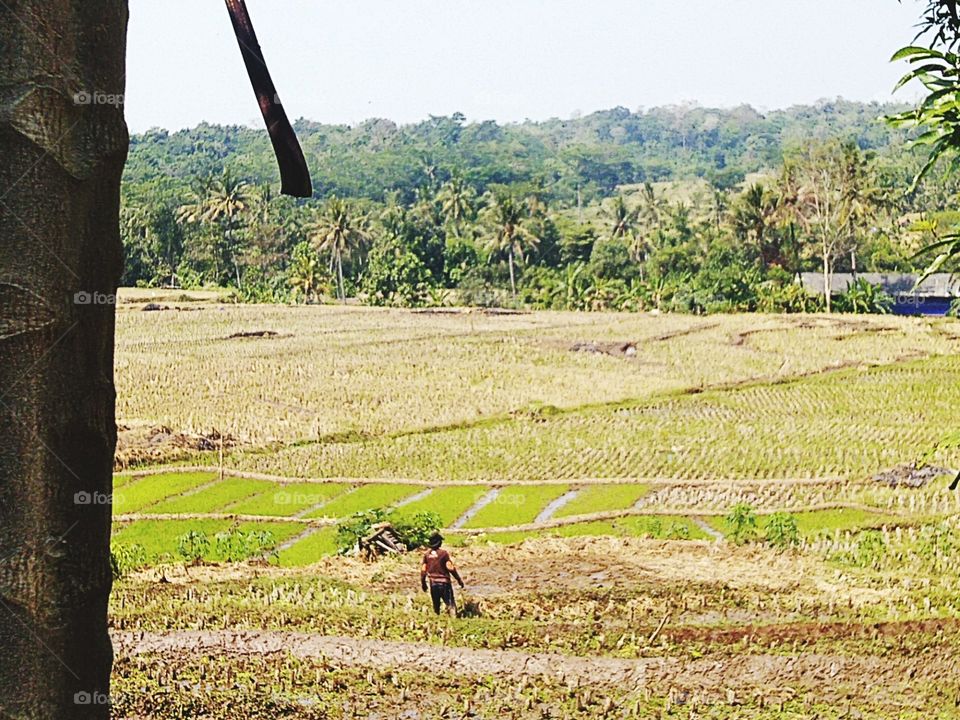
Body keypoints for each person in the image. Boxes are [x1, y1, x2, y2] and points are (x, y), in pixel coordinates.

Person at [420, 533, 464, 617]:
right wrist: (459, 579)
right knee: (450, 604)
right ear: (439, 542)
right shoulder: (443, 554)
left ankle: (437, 620)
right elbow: (450, 568)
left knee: (436, 605)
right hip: (444, 583)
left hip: (433, 583)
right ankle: (454, 621)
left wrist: (423, 583)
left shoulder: (427, 555)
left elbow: (423, 570)